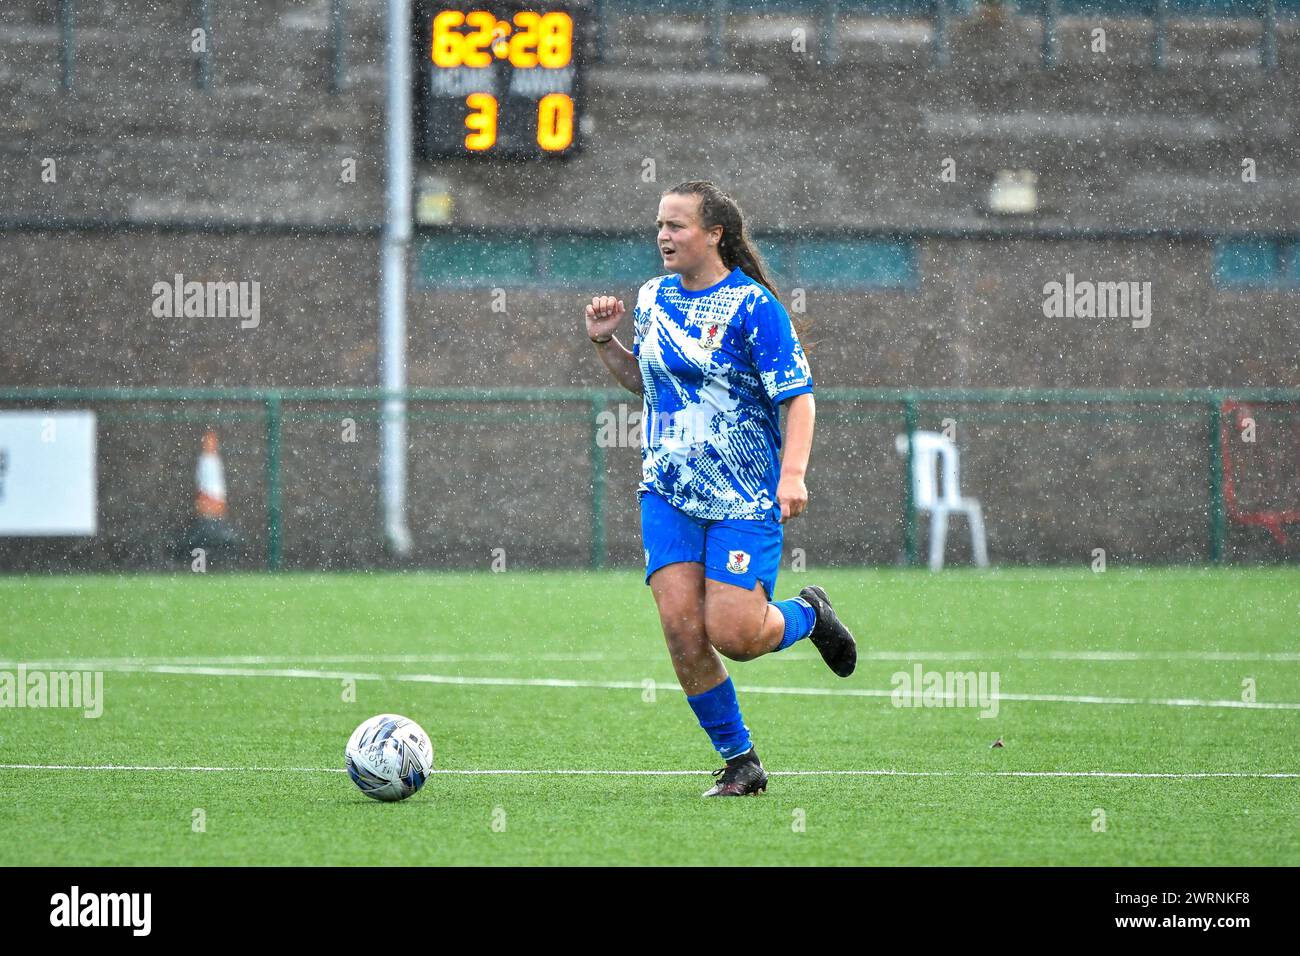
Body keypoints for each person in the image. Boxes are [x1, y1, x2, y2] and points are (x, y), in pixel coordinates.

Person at [583, 180, 857, 797]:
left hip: (742, 496)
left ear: (715, 234)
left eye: (677, 225)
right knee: (681, 627)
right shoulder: (652, 298)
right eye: (660, 225)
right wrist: (605, 342)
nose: (663, 236)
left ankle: (809, 616)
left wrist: (792, 475)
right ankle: (740, 760)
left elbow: (800, 400)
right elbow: (645, 383)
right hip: (668, 492)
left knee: (735, 635)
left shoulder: (753, 307)